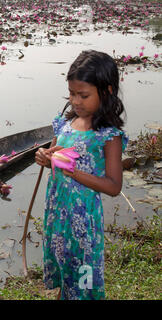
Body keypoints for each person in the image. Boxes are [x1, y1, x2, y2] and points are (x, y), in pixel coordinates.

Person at [35, 50, 128, 300]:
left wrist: (74, 173)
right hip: (57, 211)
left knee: (83, 274)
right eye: (72, 93)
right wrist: (44, 157)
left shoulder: (109, 136)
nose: (75, 101)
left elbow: (113, 186)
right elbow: (55, 155)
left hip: (83, 220)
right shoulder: (65, 124)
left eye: (83, 95)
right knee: (65, 266)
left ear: (106, 91)